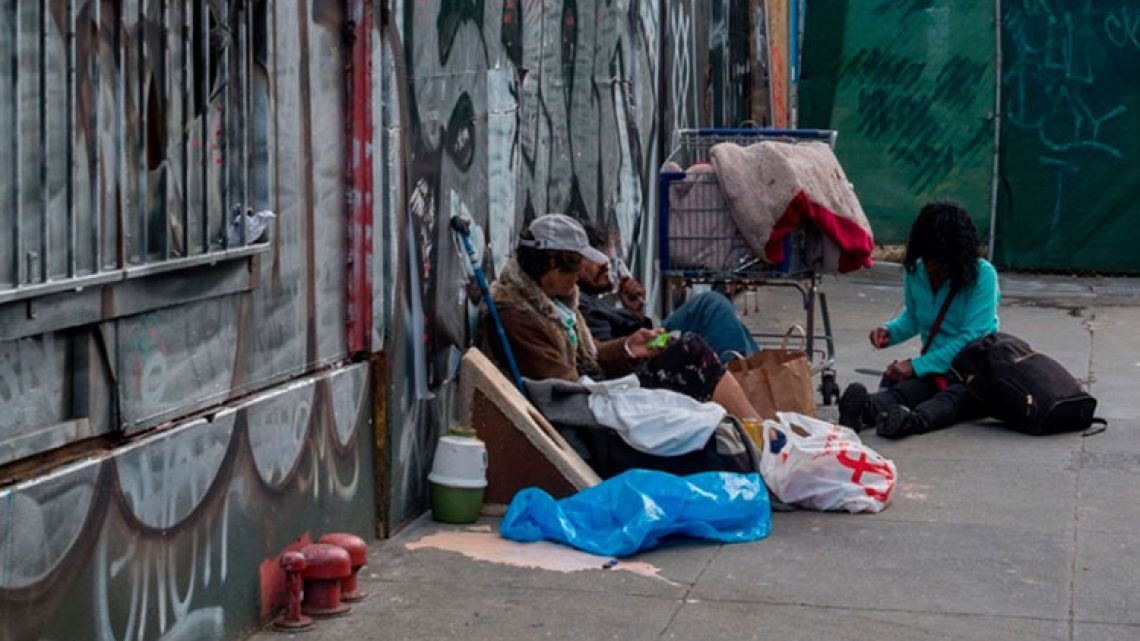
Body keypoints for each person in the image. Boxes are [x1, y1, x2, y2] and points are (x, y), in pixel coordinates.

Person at [479, 213, 760, 420]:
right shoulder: (515, 315)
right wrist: (621, 385)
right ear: (552, 261)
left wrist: (629, 347)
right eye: (576, 263)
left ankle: (757, 427)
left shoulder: (555, 301)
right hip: (589, 414)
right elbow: (564, 387)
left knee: (690, 344)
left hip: (596, 394)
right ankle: (758, 430)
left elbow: (590, 354)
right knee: (691, 350)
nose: (578, 274)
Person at [838, 201, 1000, 439]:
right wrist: (889, 331)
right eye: (928, 257)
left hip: (973, 373)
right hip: (934, 370)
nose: (931, 267)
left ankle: (910, 422)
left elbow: (972, 337)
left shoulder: (983, 276)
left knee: (950, 401)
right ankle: (864, 410)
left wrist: (915, 366)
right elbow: (914, 318)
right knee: (904, 393)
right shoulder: (917, 271)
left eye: (940, 261)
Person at [576, 221, 759, 360]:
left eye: (601, 255)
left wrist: (634, 313)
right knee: (711, 305)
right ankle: (746, 377)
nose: (602, 264)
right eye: (591, 257)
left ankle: (756, 371)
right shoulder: (581, 306)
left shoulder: (590, 300)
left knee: (720, 316)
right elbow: (611, 357)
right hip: (645, 358)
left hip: (648, 343)